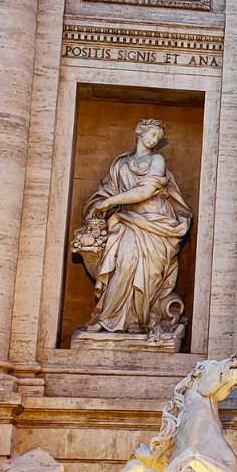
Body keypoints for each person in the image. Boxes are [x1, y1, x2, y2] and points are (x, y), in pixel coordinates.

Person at [73, 119, 192, 337]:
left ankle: (139, 320)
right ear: (140, 133)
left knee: (149, 273)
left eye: (158, 137)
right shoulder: (120, 165)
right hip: (127, 220)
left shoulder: (157, 160)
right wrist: (99, 207)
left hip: (156, 224)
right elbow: (105, 192)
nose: (154, 139)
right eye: (152, 134)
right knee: (124, 264)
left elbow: (146, 191)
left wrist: (109, 203)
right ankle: (108, 317)